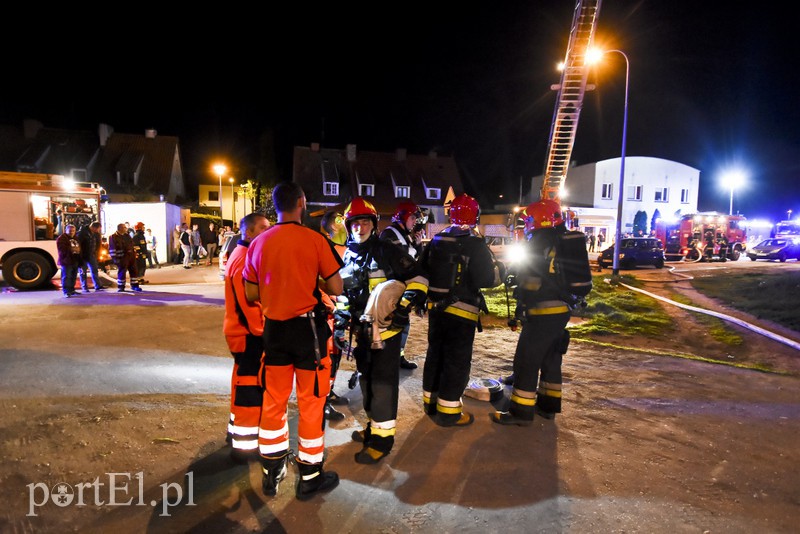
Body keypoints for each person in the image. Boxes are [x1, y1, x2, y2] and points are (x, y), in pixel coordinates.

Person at [243, 182, 344, 500]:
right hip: (308, 334)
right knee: (312, 402)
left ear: (275, 206)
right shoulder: (315, 240)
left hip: (274, 332)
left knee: (273, 401)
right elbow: (337, 286)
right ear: (301, 202)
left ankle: (271, 472)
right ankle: (310, 477)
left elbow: (250, 293)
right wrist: (310, 280)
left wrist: (278, 288)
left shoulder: (259, 243)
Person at [339, 197, 428, 464]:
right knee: (367, 385)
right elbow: (346, 296)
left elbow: (419, 279)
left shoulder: (386, 250)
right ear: (348, 226)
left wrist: (402, 307)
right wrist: (341, 321)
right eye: (355, 222)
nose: (360, 227)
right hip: (362, 334)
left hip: (386, 334)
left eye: (365, 221)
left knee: (383, 387)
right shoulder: (349, 254)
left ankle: (382, 441)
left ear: (374, 224)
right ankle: (373, 428)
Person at [420, 194, 502, 426]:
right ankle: (449, 413)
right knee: (456, 361)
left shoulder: (436, 240)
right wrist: (502, 271)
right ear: (475, 216)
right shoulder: (476, 244)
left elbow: (423, 271)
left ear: (450, 214)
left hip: (436, 311)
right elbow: (487, 278)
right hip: (462, 313)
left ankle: (431, 403)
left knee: (435, 355)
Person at [492, 199, 572, 426]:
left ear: (538, 219)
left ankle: (521, 412)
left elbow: (530, 281)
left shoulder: (538, 242)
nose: (526, 224)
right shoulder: (564, 240)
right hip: (562, 310)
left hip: (542, 311)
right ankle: (548, 407)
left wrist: (519, 302)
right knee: (551, 358)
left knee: (527, 360)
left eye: (528, 219)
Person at [224, 212, 271, 463]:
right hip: (247, 334)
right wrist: (262, 333)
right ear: (248, 232)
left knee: (240, 384)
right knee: (249, 390)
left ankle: (235, 432)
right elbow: (248, 304)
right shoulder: (244, 259)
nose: (268, 231)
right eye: (263, 228)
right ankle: (245, 447)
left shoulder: (241, 255)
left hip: (239, 332)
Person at [379, 201, 425, 370]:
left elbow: (411, 260)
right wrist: (415, 248)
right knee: (393, 325)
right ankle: (388, 359)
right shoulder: (390, 235)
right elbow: (403, 260)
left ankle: (398, 357)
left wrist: (417, 245)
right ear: (403, 217)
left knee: (403, 324)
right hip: (392, 289)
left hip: (401, 289)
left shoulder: (402, 235)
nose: (415, 222)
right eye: (413, 217)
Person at [318, 210, 349, 422]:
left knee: (335, 355)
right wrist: (334, 307)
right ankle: (323, 402)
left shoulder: (340, 247)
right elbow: (321, 283)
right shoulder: (325, 247)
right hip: (328, 311)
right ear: (335, 225)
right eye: (342, 223)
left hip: (338, 310)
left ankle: (329, 392)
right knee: (328, 357)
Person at [109, 223, 141, 292]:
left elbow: (132, 244)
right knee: (122, 272)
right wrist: (115, 259)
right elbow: (112, 248)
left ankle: (135, 285)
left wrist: (134, 253)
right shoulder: (113, 237)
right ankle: (121, 287)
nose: (126, 229)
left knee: (134, 271)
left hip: (131, 256)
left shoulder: (127, 235)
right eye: (124, 227)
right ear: (120, 228)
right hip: (122, 257)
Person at [76, 222, 105, 292]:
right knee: (83, 271)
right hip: (83, 255)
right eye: (98, 229)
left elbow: (98, 244)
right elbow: (78, 244)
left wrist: (97, 254)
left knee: (94, 270)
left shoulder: (95, 234)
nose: (98, 231)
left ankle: (97, 285)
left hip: (91, 254)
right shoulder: (82, 233)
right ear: (93, 227)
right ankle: (84, 287)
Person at [56, 224, 81, 297]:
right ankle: (66, 291)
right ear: (66, 231)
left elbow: (79, 248)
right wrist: (73, 250)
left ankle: (72, 290)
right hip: (66, 261)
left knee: (73, 276)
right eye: (70, 231)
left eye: (73, 231)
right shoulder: (62, 238)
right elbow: (62, 249)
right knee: (66, 276)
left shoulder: (76, 238)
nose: (72, 232)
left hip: (75, 260)